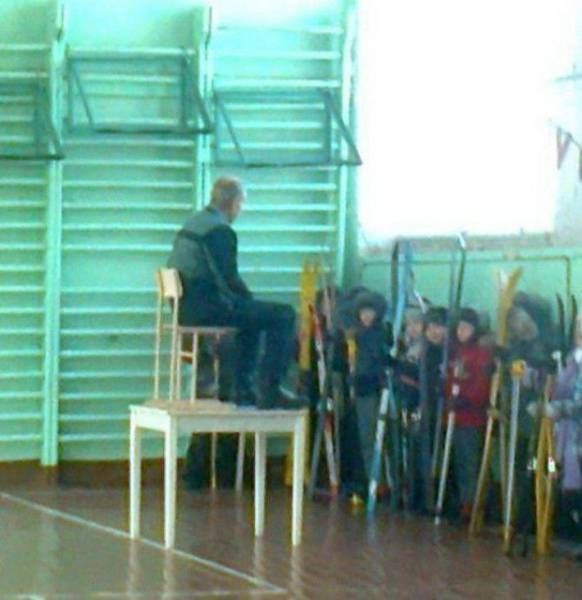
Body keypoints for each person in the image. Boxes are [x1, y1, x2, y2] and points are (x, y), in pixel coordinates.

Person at [167, 176, 303, 409]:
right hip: (206, 309)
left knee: (251, 317)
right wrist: (249, 300)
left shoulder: (193, 223)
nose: (240, 210)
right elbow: (228, 280)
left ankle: (244, 390)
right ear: (234, 203)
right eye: (241, 204)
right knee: (284, 315)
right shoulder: (219, 231)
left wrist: (249, 306)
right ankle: (270, 389)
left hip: (184, 307)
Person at [445, 307, 492, 521]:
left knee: (469, 460)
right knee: (458, 459)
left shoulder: (481, 355)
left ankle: (471, 502)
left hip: (471, 416)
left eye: (466, 327)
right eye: (459, 327)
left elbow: (482, 384)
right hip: (454, 414)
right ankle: (462, 499)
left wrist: (468, 399)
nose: (461, 331)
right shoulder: (455, 352)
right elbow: (450, 379)